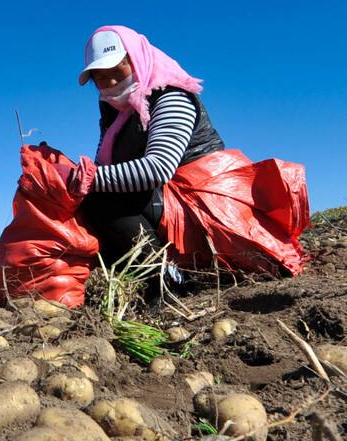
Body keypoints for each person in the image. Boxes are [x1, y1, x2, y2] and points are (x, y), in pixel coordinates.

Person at [64, 26, 308, 276]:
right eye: (101, 77)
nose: (111, 82)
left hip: (203, 204)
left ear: (136, 60)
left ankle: (164, 278)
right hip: (167, 200)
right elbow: (105, 169)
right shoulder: (115, 116)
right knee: (91, 207)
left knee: (102, 200)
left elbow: (157, 169)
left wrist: (85, 179)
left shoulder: (170, 96)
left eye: (118, 70)